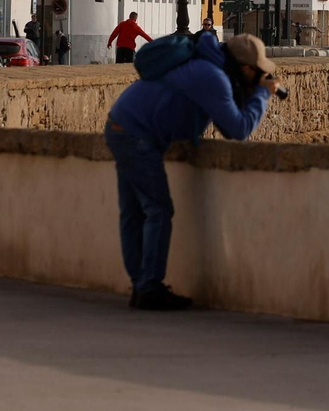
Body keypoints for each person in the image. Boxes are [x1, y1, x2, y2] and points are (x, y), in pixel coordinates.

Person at [103, 32, 278, 310]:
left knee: (134, 212)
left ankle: (141, 285)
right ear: (246, 68)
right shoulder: (213, 77)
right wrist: (261, 94)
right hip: (137, 136)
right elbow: (238, 129)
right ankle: (148, 288)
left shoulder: (204, 65)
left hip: (120, 125)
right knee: (157, 210)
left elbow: (225, 118)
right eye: (256, 72)